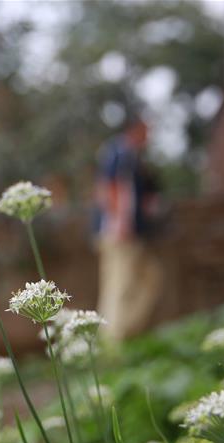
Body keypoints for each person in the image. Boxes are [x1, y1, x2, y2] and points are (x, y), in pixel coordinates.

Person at [94, 116, 165, 341]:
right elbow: (109, 188)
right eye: (146, 131)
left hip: (130, 233)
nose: (149, 137)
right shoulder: (119, 151)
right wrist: (119, 223)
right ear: (135, 129)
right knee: (119, 285)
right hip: (119, 232)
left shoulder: (131, 156)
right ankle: (112, 340)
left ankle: (123, 333)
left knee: (149, 280)